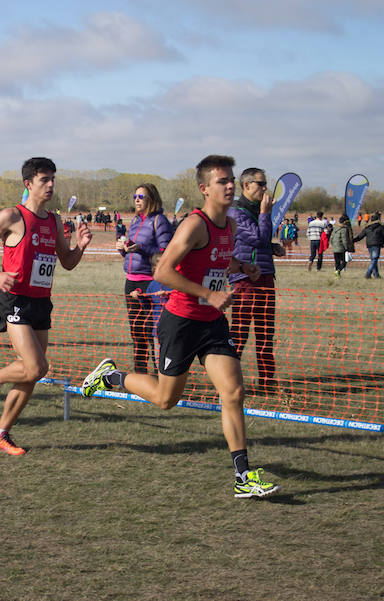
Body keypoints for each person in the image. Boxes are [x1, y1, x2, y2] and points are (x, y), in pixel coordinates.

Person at [81, 155, 279, 498]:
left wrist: (242, 267)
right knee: (165, 399)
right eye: (222, 181)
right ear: (204, 188)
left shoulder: (229, 227)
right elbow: (163, 272)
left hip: (212, 324)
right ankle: (111, 376)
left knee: (233, 392)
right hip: (181, 323)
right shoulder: (194, 224)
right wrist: (207, 293)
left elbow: (217, 259)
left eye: (232, 179)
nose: (230, 185)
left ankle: (243, 475)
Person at [0, 157, 92, 456]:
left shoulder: (53, 221)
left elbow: (67, 263)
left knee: (32, 372)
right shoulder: (12, 216)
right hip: (16, 300)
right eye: (44, 180)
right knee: (38, 366)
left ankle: (1, 434)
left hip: (41, 302)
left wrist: (81, 246)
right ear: (29, 183)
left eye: (53, 179)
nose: (51, 185)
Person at [227, 167, 285, 392]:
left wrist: (272, 248)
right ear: (246, 186)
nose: (264, 188)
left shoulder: (256, 211)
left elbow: (259, 242)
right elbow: (258, 238)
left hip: (265, 278)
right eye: (260, 184)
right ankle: (230, 380)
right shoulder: (236, 212)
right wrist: (265, 213)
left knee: (265, 333)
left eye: (265, 184)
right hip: (244, 279)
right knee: (239, 334)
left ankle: (267, 382)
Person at [118, 184, 174, 374]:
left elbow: (166, 253)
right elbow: (132, 251)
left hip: (150, 281)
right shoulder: (134, 220)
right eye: (135, 196)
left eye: (141, 196)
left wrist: (140, 248)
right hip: (131, 280)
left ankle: (161, 372)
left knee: (152, 329)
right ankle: (140, 371)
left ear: (152, 198)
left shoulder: (160, 221)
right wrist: (123, 249)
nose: (137, 199)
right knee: (136, 330)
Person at [353, 211, 384, 279]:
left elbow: (360, 236)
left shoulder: (367, 227)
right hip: (376, 245)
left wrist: (353, 240)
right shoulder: (380, 227)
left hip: (369, 245)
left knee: (373, 259)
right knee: (374, 260)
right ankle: (368, 273)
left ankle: (376, 275)